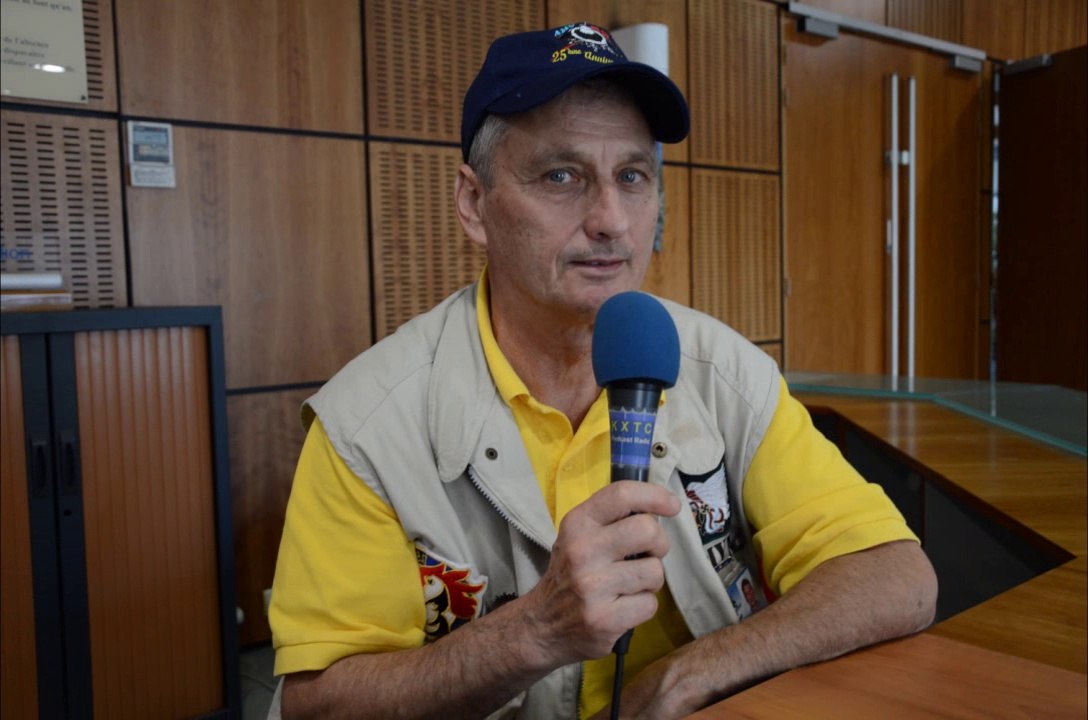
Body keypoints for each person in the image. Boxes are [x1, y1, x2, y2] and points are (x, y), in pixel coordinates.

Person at [268, 22, 938, 720]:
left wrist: (693, 672)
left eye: (632, 176)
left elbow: (895, 576)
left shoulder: (724, 372)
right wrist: (534, 631)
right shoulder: (367, 427)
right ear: (474, 205)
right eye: (561, 176)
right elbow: (318, 705)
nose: (612, 220)